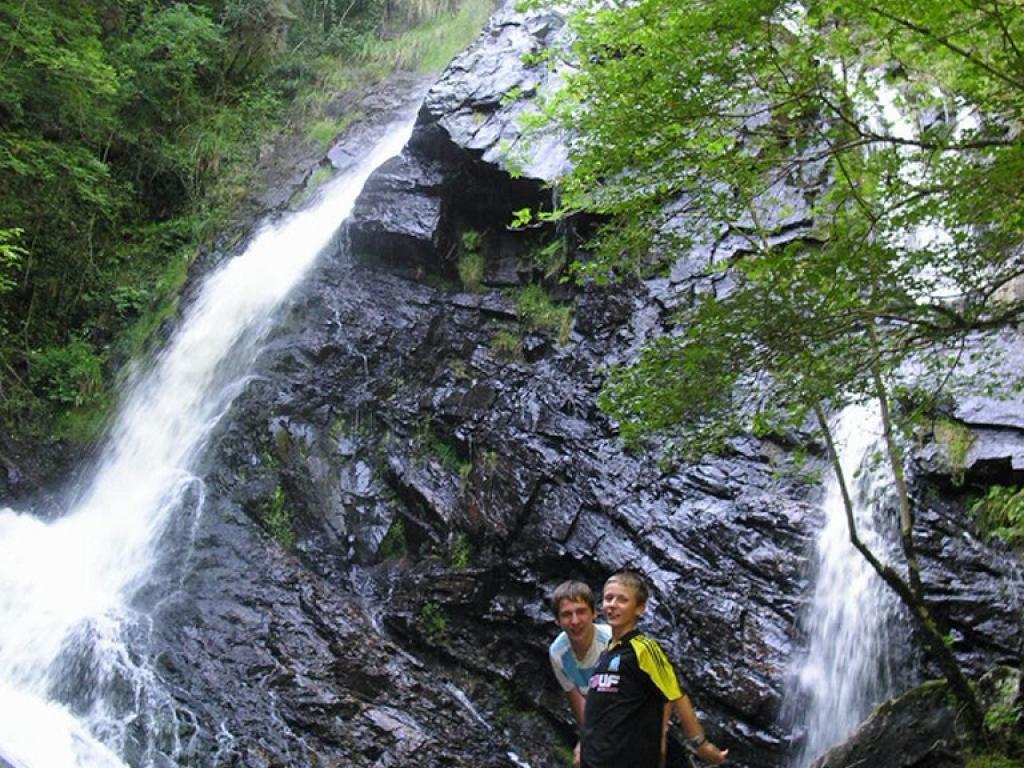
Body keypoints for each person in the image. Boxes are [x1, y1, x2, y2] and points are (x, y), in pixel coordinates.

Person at [580, 570, 728, 768]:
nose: (613, 605)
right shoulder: (606, 652)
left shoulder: (645, 649)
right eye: (608, 598)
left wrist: (700, 745)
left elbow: (675, 694)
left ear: (640, 608)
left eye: (622, 600)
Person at [548, 580, 613, 767]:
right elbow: (578, 700)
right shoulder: (558, 654)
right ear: (558, 621)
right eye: (567, 615)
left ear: (594, 613)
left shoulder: (612, 643)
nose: (575, 621)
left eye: (581, 611)